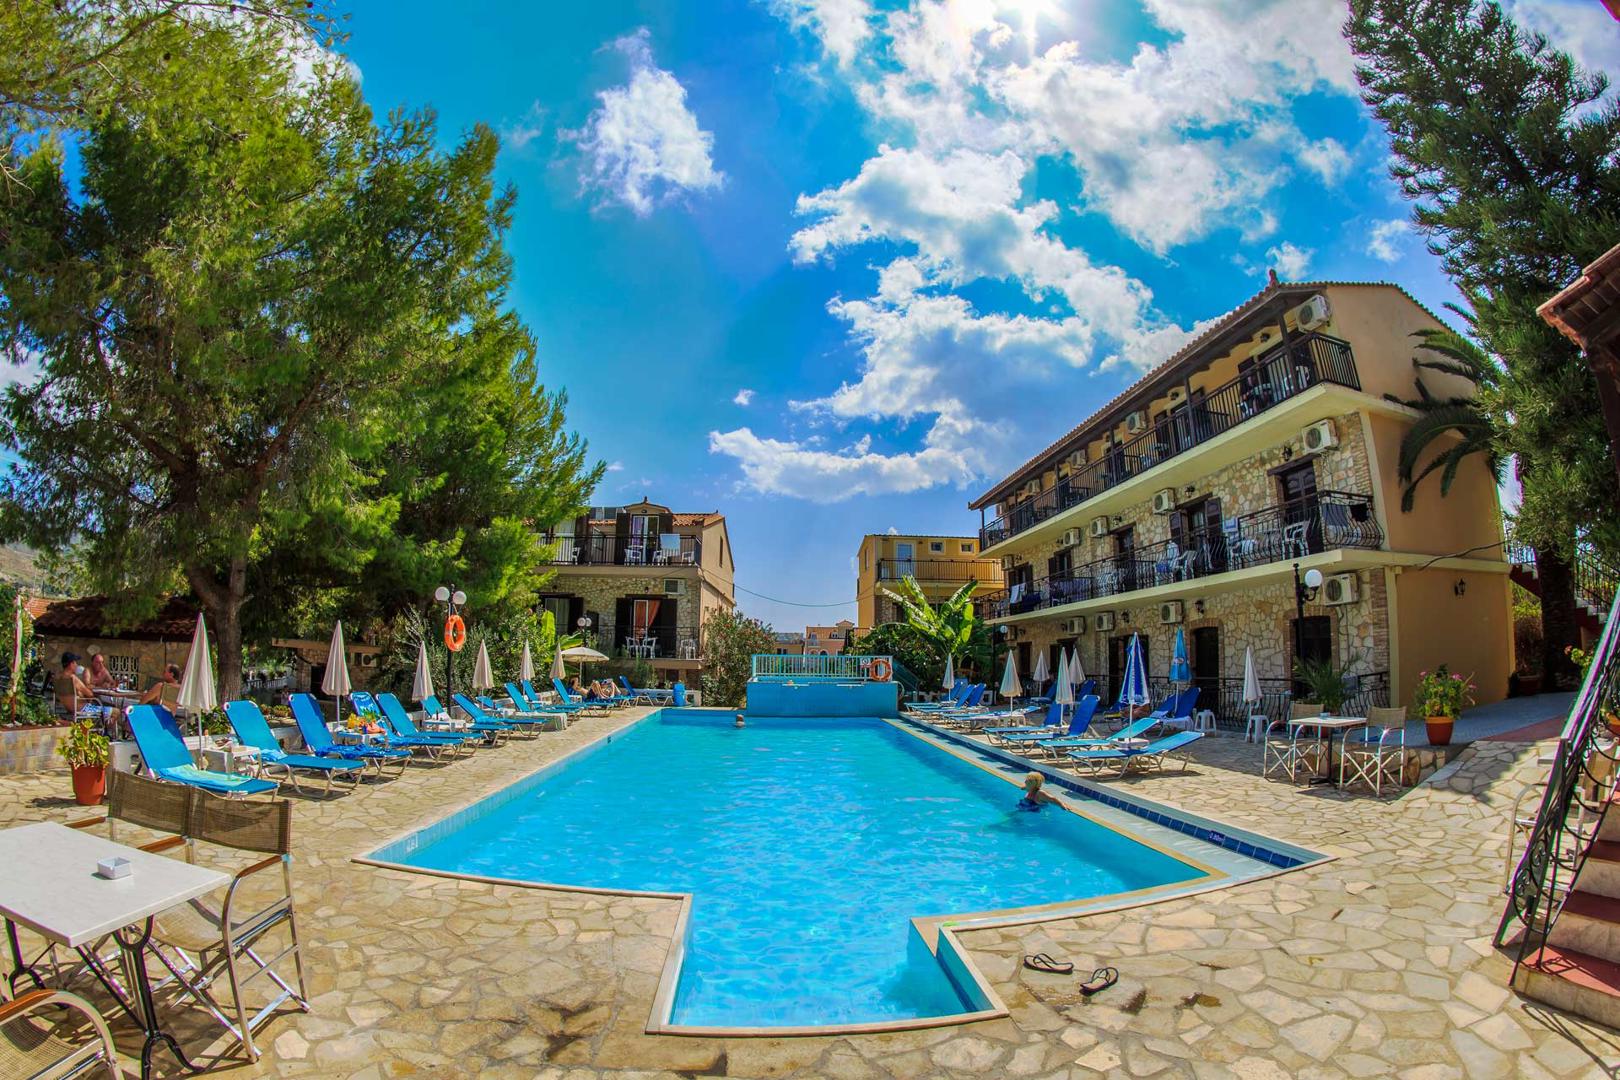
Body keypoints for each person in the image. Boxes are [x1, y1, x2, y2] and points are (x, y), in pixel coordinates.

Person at [55, 653, 120, 730]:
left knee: (102, 709)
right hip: (83, 710)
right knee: (116, 711)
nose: (76, 665)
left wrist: (80, 694)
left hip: (69, 709)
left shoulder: (57, 678)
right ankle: (106, 731)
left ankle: (102, 729)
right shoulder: (73, 678)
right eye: (75, 663)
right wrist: (84, 695)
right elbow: (89, 694)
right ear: (71, 664)